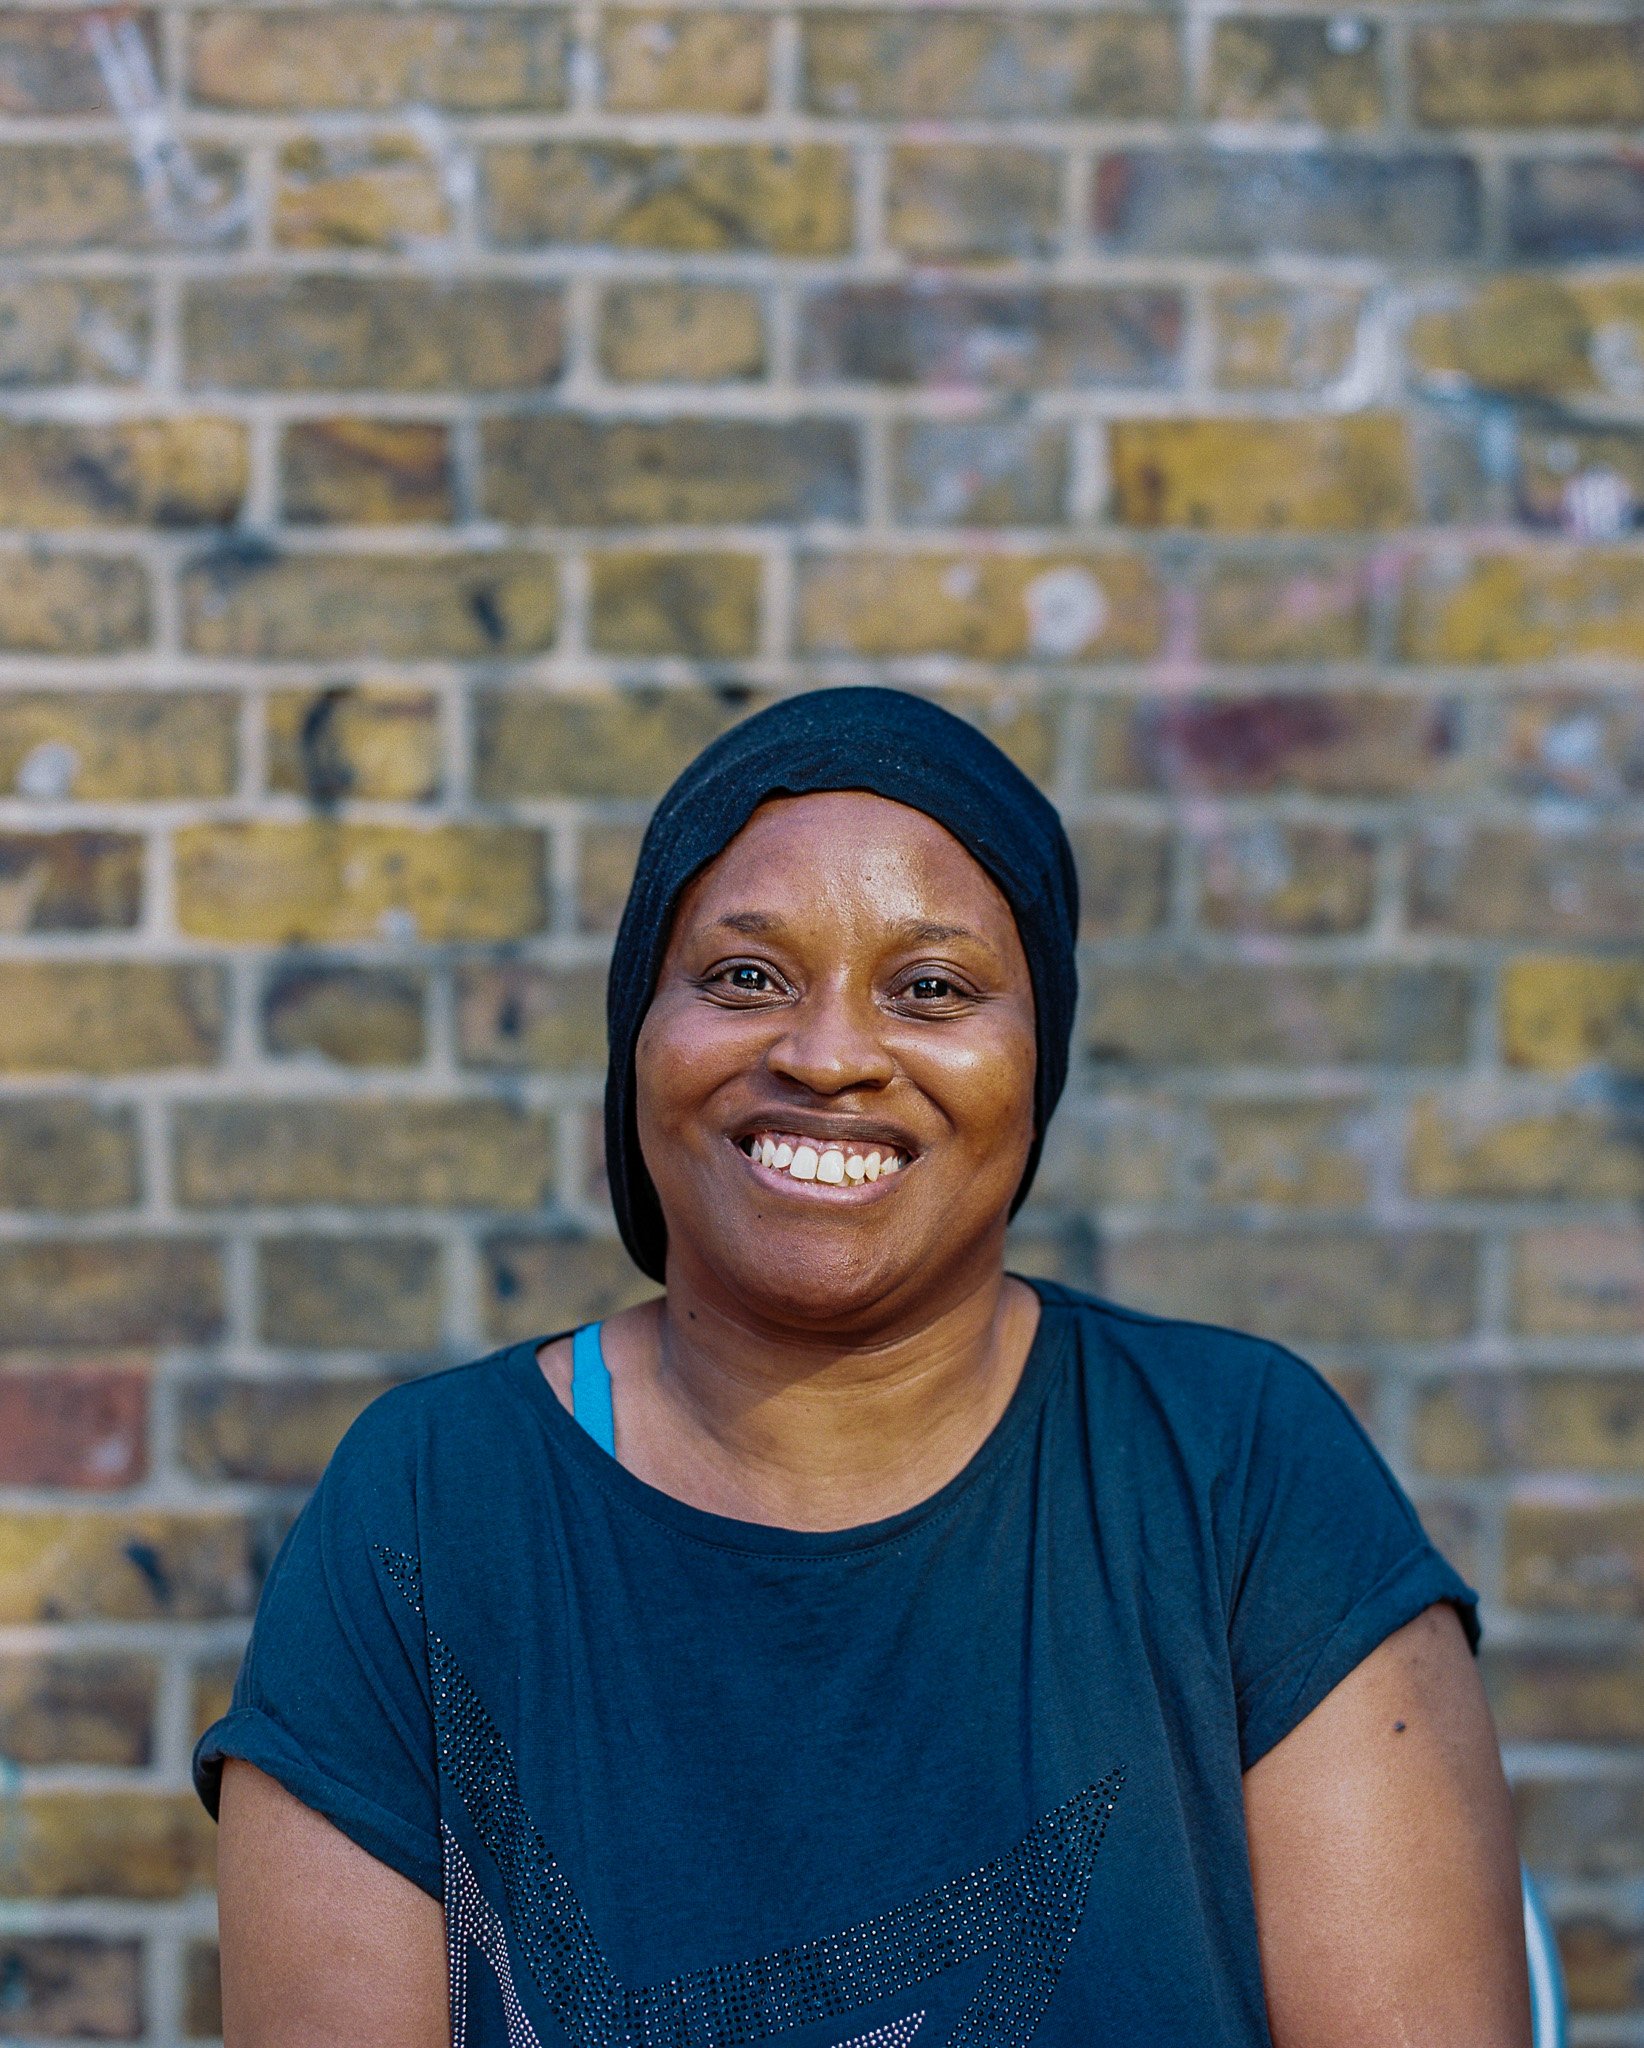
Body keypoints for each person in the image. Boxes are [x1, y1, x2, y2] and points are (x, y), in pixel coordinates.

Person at [195, 687, 1530, 2048]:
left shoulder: (1238, 1472)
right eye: (745, 978)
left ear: (1038, 1063)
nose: (828, 1056)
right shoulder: (428, 1508)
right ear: (638, 1035)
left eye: (931, 989)